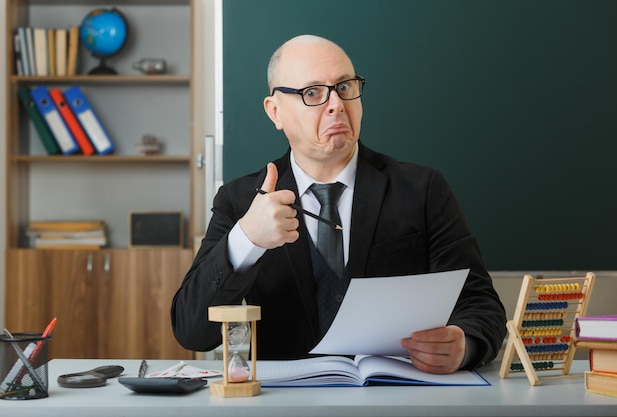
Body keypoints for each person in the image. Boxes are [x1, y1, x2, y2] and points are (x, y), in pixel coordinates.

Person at [171, 34, 506, 375]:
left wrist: (465, 344)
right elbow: (192, 330)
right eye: (312, 93)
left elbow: (481, 306)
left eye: (345, 86)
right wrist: (247, 239)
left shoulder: (422, 189)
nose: (336, 104)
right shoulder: (241, 200)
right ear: (276, 111)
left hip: (397, 400)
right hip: (283, 406)